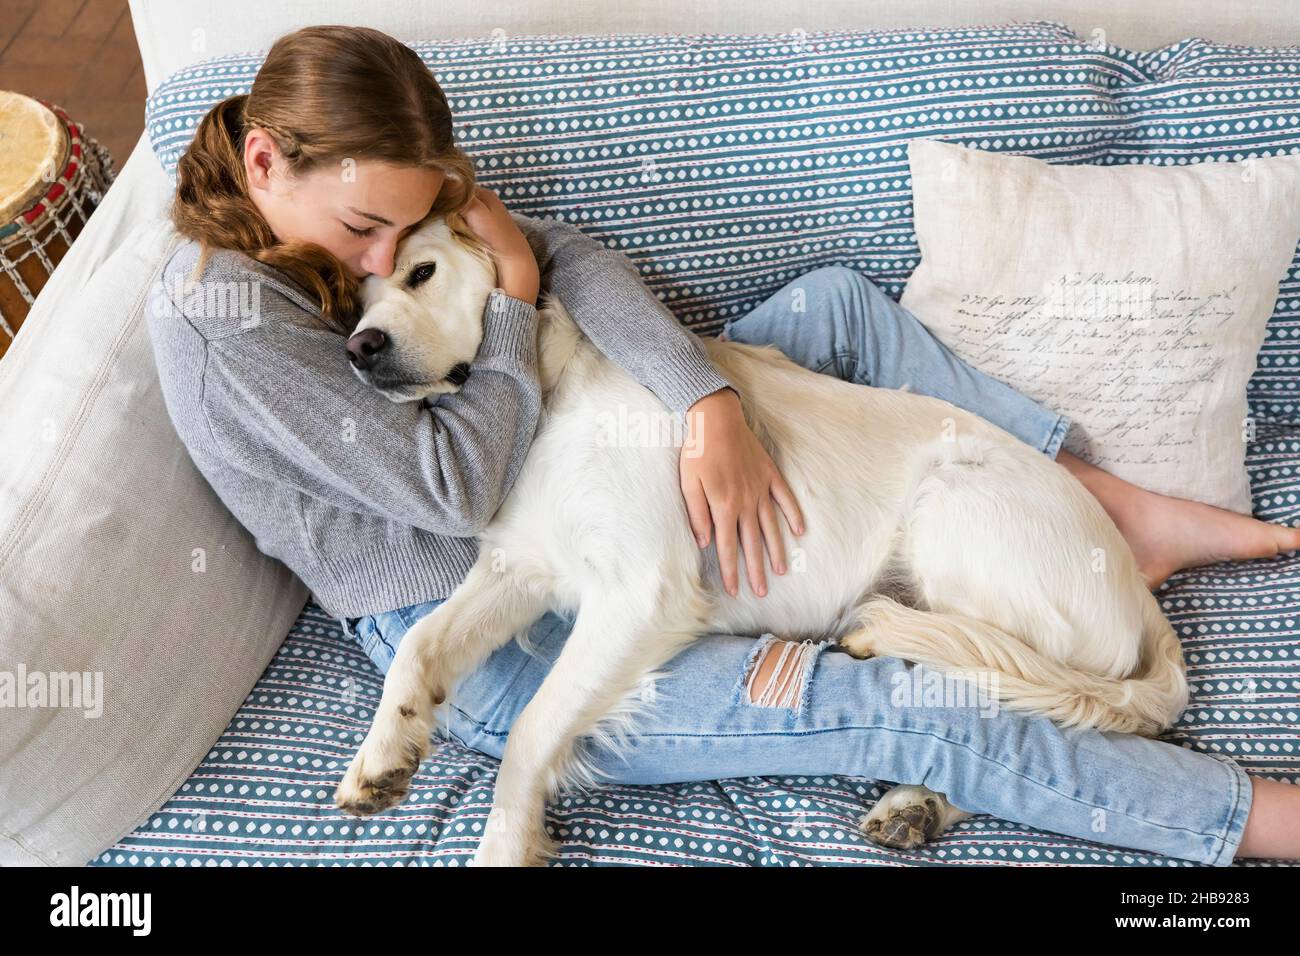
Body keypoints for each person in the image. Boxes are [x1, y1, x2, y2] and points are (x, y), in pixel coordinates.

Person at [147, 24, 1300, 865]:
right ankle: (1242, 816)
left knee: (836, 306)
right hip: (466, 560)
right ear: (264, 165)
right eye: (367, 235)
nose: (375, 262)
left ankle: (1104, 497)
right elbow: (449, 487)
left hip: (550, 455)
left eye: (409, 232)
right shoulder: (224, 326)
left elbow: (570, 265)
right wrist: (505, 302)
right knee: (888, 701)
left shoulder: (354, 211)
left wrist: (704, 401)